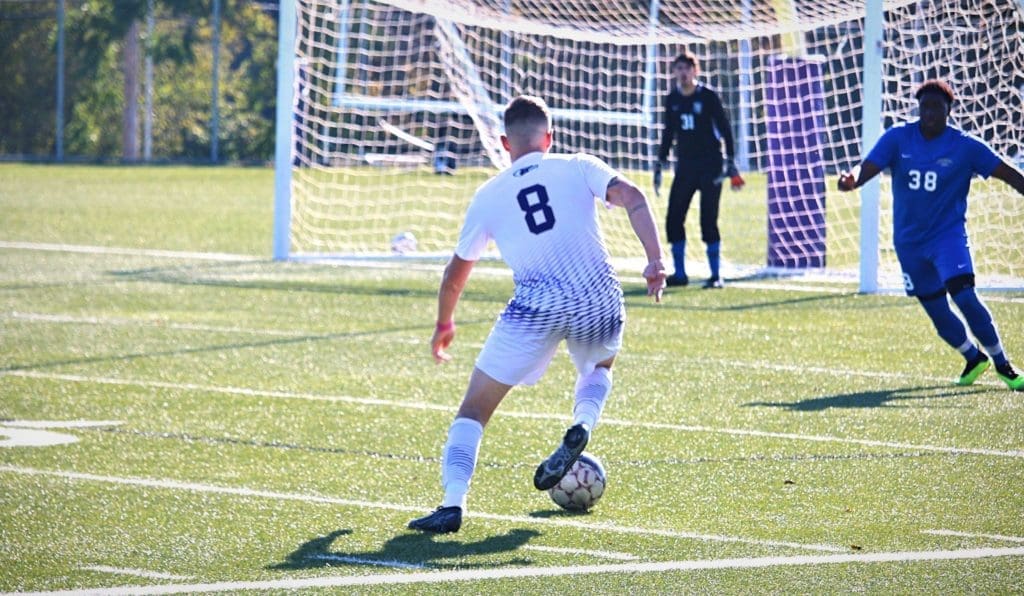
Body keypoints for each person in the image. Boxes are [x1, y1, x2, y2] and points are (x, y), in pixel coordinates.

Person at [407, 95, 667, 533]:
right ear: (551, 137)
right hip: (596, 293)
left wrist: (444, 324)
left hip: (535, 306)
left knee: (473, 410)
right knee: (599, 367)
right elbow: (633, 196)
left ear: (505, 143)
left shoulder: (489, 194)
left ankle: (452, 504)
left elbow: (455, 274)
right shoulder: (578, 164)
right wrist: (655, 260)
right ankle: (582, 423)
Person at [838, 79, 1024, 391]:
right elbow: (867, 166)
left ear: (949, 111)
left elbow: (1007, 173)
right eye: (924, 106)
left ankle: (1002, 363)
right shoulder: (898, 137)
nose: (929, 112)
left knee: (964, 295)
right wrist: (852, 180)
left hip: (947, 238)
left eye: (936, 107)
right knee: (937, 311)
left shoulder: (965, 146)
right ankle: (972, 357)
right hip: (909, 243)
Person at [653, 50, 744, 290]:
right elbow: (668, 133)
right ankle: (680, 273)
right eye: (678, 69)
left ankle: (715, 275)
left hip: (711, 166)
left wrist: (731, 160)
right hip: (685, 167)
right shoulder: (672, 99)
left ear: (696, 70)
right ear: (674, 72)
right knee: (674, 217)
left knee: (708, 219)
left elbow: (725, 129)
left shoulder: (708, 97)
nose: (682, 73)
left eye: (686, 68)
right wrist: (660, 161)